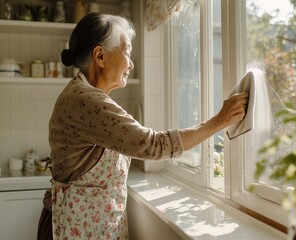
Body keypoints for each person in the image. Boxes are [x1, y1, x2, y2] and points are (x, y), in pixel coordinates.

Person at [37, 12, 248, 240]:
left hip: (83, 225)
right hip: (75, 229)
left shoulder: (83, 95)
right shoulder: (87, 101)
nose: (131, 63)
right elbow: (154, 145)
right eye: (127, 52)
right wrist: (220, 120)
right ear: (100, 56)